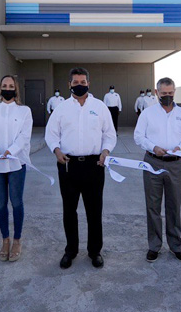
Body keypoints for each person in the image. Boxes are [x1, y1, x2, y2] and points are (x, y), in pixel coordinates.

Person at [45, 67, 116, 269]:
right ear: (69, 84)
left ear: (88, 83)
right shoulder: (62, 108)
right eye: (75, 82)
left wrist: (106, 151)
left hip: (95, 165)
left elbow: (109, 134)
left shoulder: (100, 107)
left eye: (83, 82)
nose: (79, 85)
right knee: (69, 211)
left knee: (94, 211)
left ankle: (95, 251)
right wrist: (56, 151)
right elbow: (51, 134)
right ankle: (71, 250)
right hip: (68, 165)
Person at [134, 77, 181, 263]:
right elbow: (139, 136)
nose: (167, 96)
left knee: (174, 205)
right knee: (153, 205)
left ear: (174, 92)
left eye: (170, 93)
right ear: (156, 93)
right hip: (152, 162)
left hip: (175, 164)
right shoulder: (148, 113)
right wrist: (153, 147)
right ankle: (154, 246)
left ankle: (176, 245)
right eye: (163, 93)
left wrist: (180, 148)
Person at [0, 75, 33, 262]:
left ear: (15, 89)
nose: (8, 88)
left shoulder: (24, 111)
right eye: (4, 85)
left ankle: (17, 240)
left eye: (11, 86)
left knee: (16, 202)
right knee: (0, 204)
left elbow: (24, 136)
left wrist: (11, 151)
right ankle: (5, 240)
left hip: (16, 163)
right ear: (0, 88)